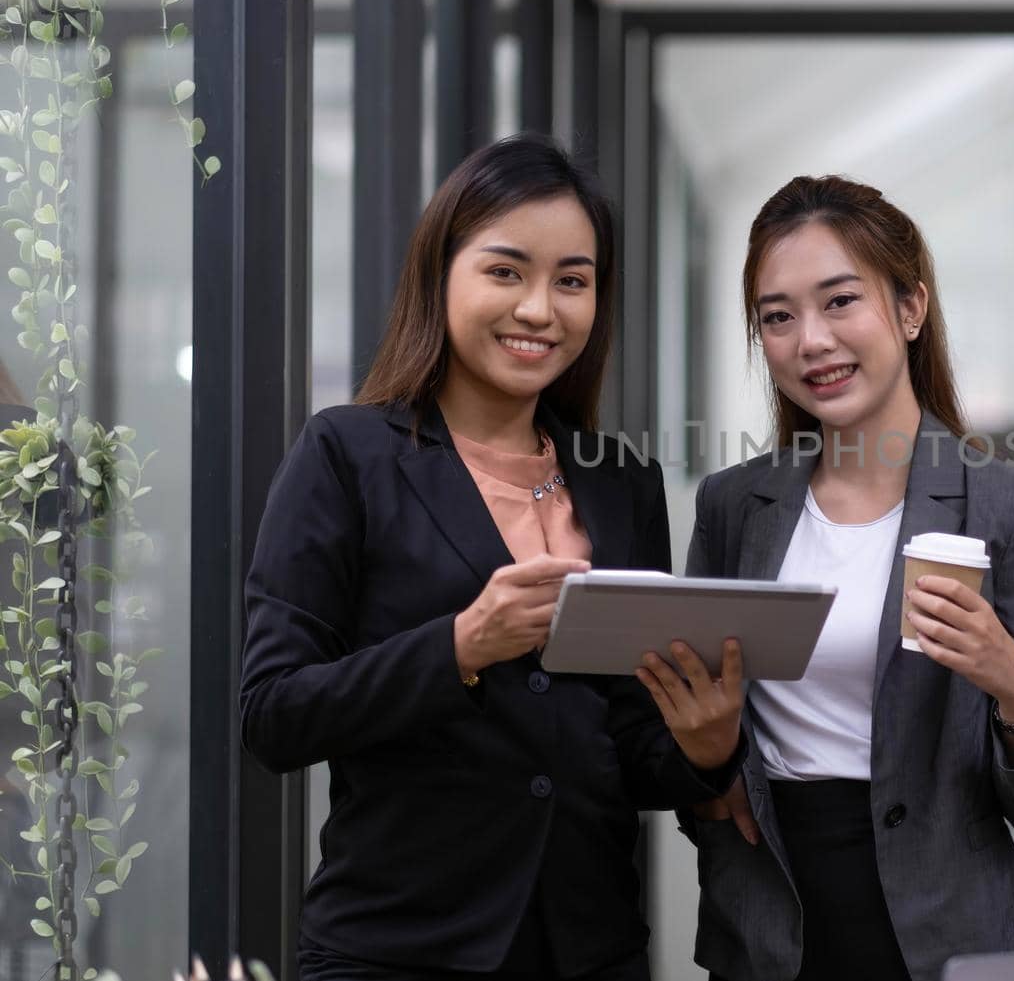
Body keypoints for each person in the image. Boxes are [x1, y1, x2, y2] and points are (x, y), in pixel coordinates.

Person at [239, 134, 745, 981]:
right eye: (506, 271)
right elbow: (274, 713)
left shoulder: (622, 484)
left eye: (572, 281)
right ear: (442, 274)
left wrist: (704, 745)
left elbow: (623, 747)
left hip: (590, 950)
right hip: (396, 949)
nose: (541, 310)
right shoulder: (347, 453)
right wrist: (464, 643)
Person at [681, 175, 1014, 981]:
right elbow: (702, 766)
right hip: (770, 923)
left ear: (910, 308)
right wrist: (710, 757)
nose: (811, 341)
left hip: (946, 933)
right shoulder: (734, 505)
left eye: (839, 302)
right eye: (778, 317)